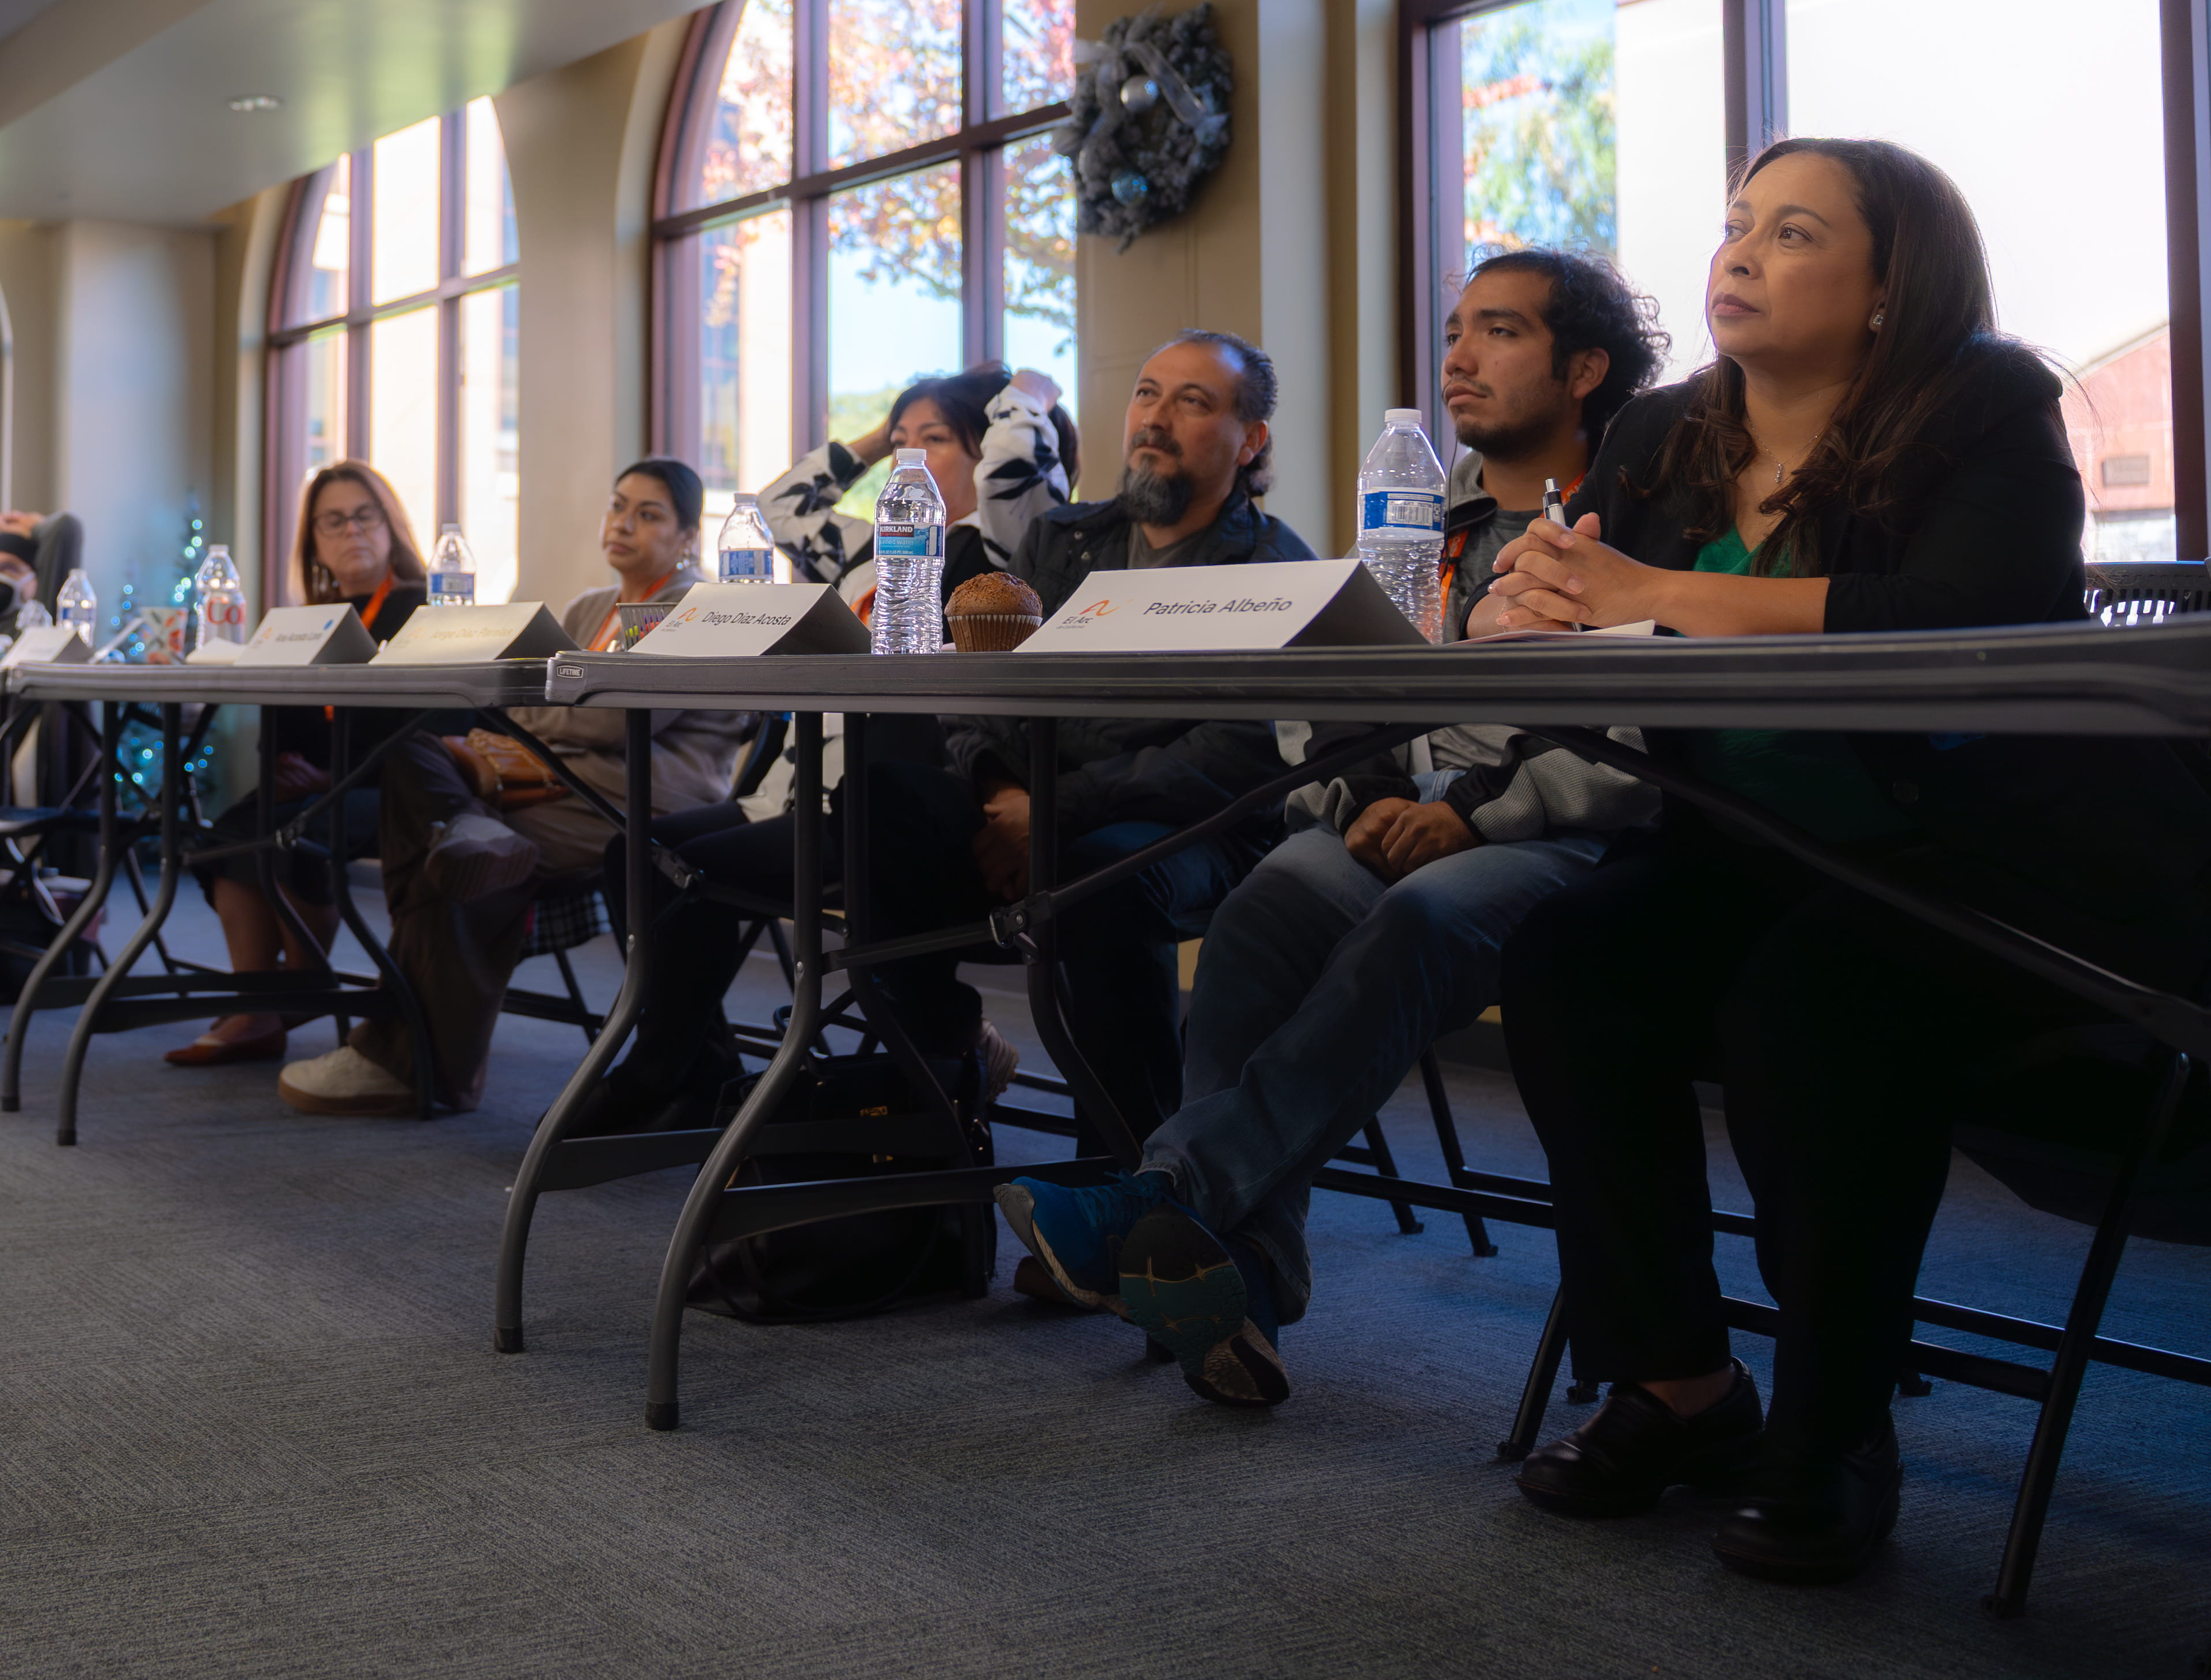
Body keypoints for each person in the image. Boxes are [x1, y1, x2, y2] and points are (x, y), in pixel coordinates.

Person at [1485, 138, 2211, 1583]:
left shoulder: (1984, 402)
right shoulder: (1654, 436)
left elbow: (1964, 612)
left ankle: (1831, 1425)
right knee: (1568, 956)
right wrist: (1533, 610)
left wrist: (1650, 591)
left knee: (1810, 1004)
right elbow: (1603, 645)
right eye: (1736, 224)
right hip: (1756, 848)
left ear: (1890, 287)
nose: (1739, 254)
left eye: (1794, 232)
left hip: (1993, 859)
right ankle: (1680, 1384)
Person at [995, 251, 1666, 1407]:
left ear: (1586, 366)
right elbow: (1328, 685)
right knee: (1266, 908)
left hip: (1560, 839)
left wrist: (1462, 816)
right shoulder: (1419, 512)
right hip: (1394, 818)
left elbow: (1632, 728)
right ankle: (1246, 1279)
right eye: (1456, 329)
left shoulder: (1636, 515)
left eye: (1500, 331)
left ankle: (1172, 1197)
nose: (1459, 355)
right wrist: (1363, 800)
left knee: (1414, 917)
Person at [584, 334, 1307, 1132]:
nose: (1156, 419)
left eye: (1193, 403)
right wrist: (1002, 793)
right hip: (1029, 802)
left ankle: (1124, 1176)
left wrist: (1050, 809)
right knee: (886, 798)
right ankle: (928, 1087)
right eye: (1146, 394)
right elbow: (978, 693)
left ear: (1253, 440)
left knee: (1105, 877)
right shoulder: (1067, 541)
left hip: (1179, 826)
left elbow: (1237, 752)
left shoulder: (1271, 564)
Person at [275, 459, 754, 1115]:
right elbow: (524, 696)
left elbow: (613, 719)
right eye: (618, 506)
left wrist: (550, 718)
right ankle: (464, 838)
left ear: (688, 536)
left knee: (450, 855)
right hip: (548, 781)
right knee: (413, 756)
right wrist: (555, 718)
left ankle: (411, 1059)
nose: (623, 523)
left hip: (641, 800)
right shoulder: (591, 606)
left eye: (649, 514)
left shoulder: (692, 605)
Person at [161, 461, 428, 1065]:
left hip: (400, 787)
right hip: (314, 785)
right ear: (314, 543)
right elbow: (280, 723)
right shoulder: (303, 621)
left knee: (297, 832)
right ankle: (257, 1002)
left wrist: (333, 778)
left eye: (365, 516)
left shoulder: (424, 609)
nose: (352, 531)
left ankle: (301, 983)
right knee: (229, 832)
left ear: (390, 527)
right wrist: (286, 767)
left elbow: (437, 731)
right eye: (333, 521)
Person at [754, 364, 1074, 597]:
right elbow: (777, 509)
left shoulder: (1009, 543)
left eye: (934, 438)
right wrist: (882, 437)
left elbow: (1012, 455)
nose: (907, 457)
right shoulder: (875, 551)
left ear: (986, 454)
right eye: (899, 443)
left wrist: (1027, 394)